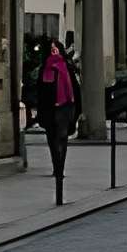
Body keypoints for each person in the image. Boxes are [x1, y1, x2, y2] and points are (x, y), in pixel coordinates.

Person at [38, 36, 78, 186]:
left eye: (56, 48)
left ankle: (60, 167)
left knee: (61, 137)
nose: (54, 51)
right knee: (52, 138)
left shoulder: (67, 67)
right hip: (49, 109)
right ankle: (56, 166)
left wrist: (76, 110)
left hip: (65, 107)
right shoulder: (45, 68)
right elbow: (40, 91)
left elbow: (75, 89)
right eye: (51, 49)